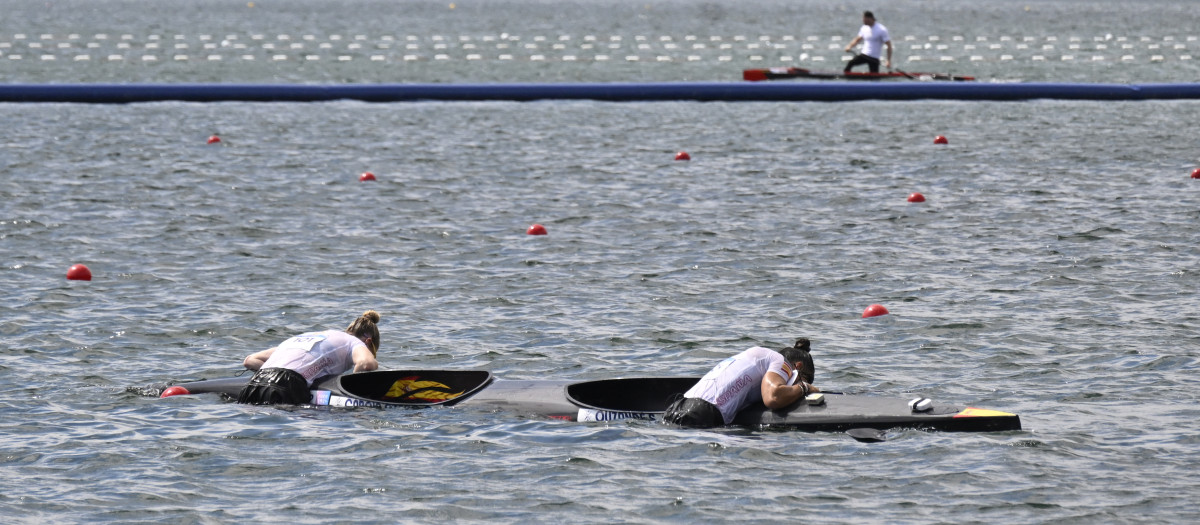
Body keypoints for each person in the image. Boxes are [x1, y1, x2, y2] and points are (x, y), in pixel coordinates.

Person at [663, 339, 819, 428]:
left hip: (678, 406)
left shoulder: (757, 359)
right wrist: (804, 387)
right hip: (702, 414)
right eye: (805, 378)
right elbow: (773, 397)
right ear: (797, 367)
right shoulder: (782, 362)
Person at [236, 310, 382, 405]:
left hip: (252, 386)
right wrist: (355, 398)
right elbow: (365, 364)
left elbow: (250, 360)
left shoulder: (312, 336)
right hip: (287, 385)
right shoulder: (354, 342)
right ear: (368, 342)